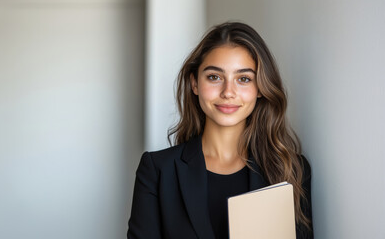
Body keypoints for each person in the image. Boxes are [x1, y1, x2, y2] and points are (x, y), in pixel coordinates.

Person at [127, 22, 313, 239]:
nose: (228, 92)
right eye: (214, 77)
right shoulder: (158, 170)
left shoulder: (292, 171)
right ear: (195, 83)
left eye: (243, 79)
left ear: (260, 88)